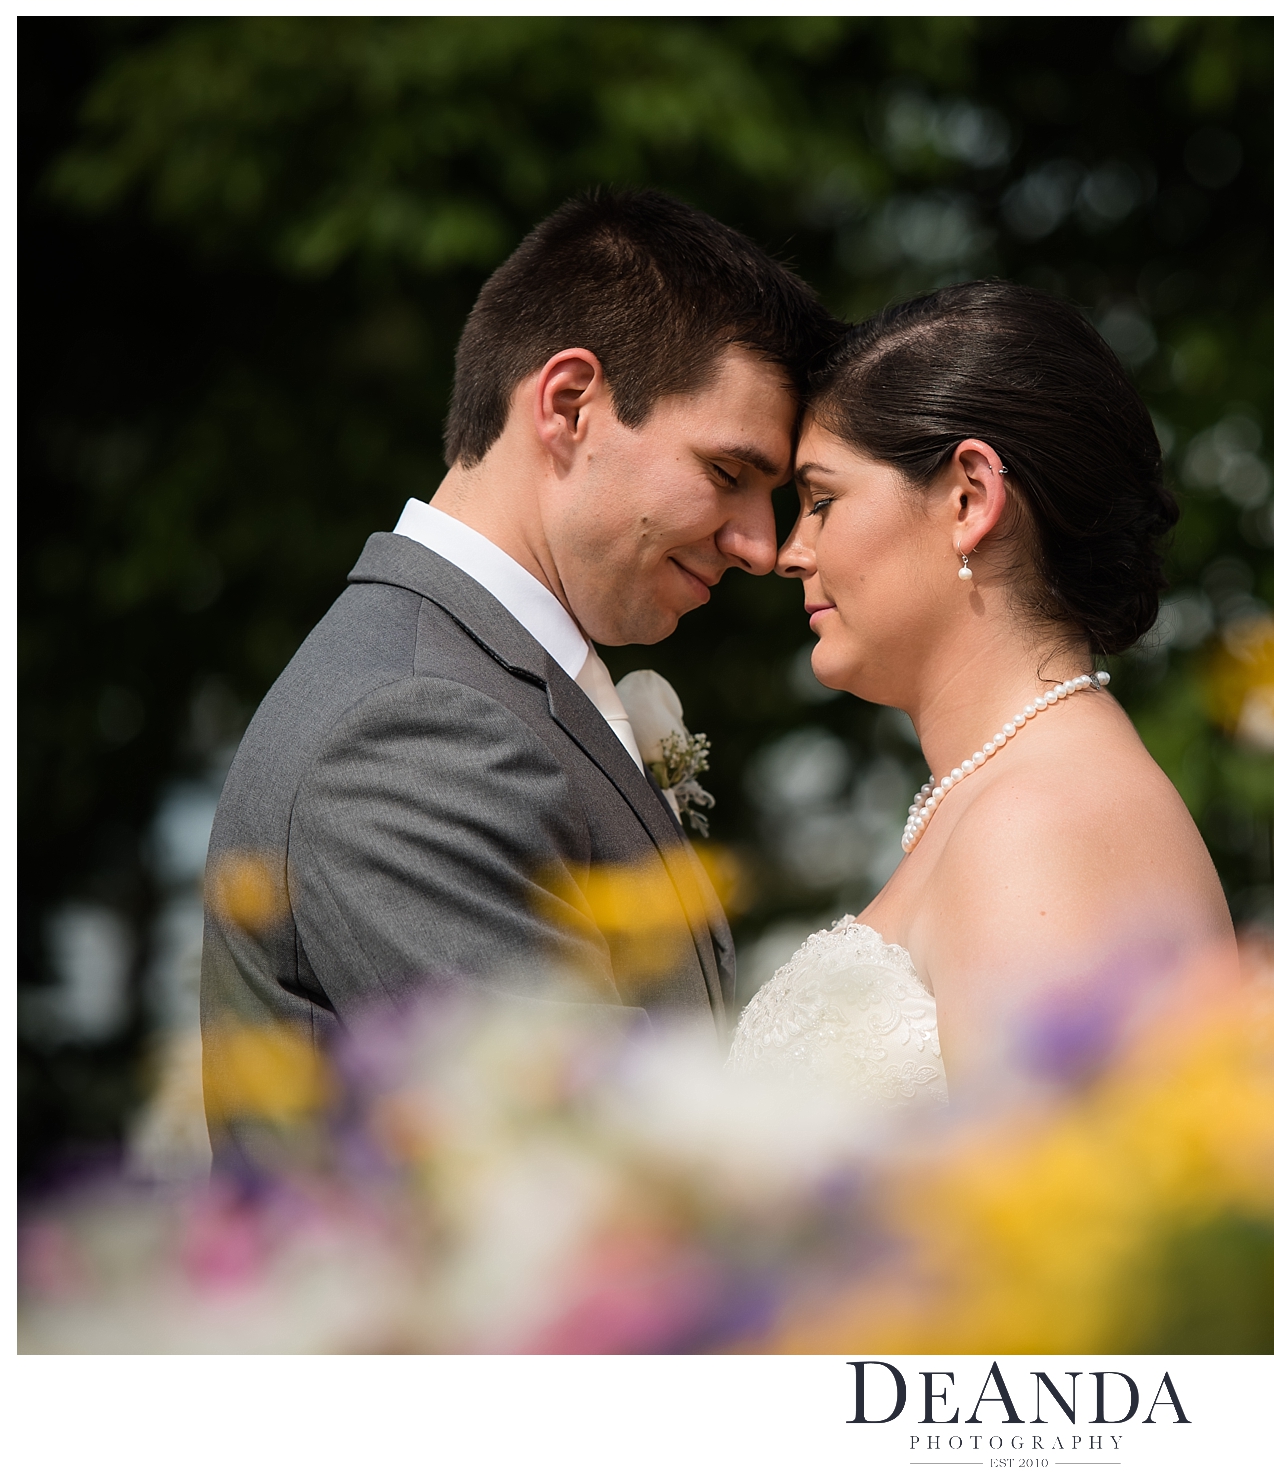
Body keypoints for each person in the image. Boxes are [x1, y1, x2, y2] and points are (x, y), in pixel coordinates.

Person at [199, 190, 838, 1159]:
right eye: (727, 474)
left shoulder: (486, 682)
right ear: (569, 405)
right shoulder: (411, 728)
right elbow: (573, 1179)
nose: (761, 545)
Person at [733, 282, 1236, 1105]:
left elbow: (1052, 1217)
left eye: (822, 501)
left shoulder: (1038, 819)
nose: (790, 552)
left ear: (969, 497)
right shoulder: (1013, 793)